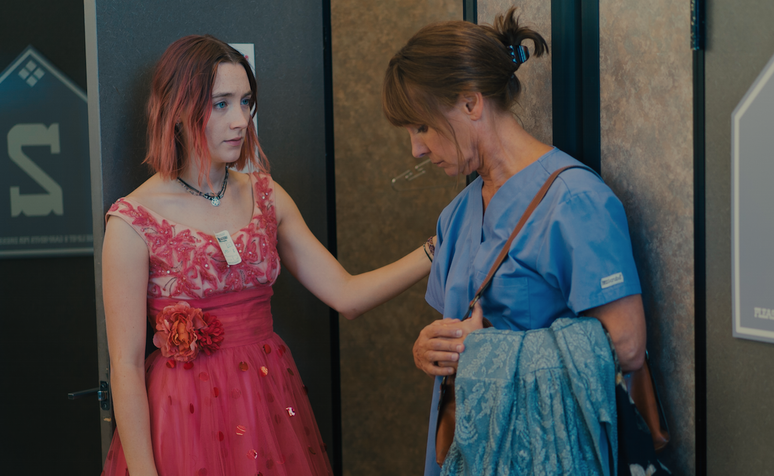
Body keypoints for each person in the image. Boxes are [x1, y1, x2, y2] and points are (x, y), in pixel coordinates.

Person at [101, 35, 434, 476]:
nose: (240, 120)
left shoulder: (266, 195)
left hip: (267, 403)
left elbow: (348, 295)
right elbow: (125, 367)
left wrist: (436, 249)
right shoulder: (133, 220)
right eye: (221, 104)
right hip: (183, 419)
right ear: (178, 108)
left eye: (245, 102)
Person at [382, 9, 647, 476]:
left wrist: (487, 352)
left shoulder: (576, 201)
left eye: (421, 126)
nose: (416, 150)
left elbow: (626, 346)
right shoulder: (456, 215)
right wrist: (430, 349)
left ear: (471, 103)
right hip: (467, 451)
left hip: (546, 454)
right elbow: (459, 332)